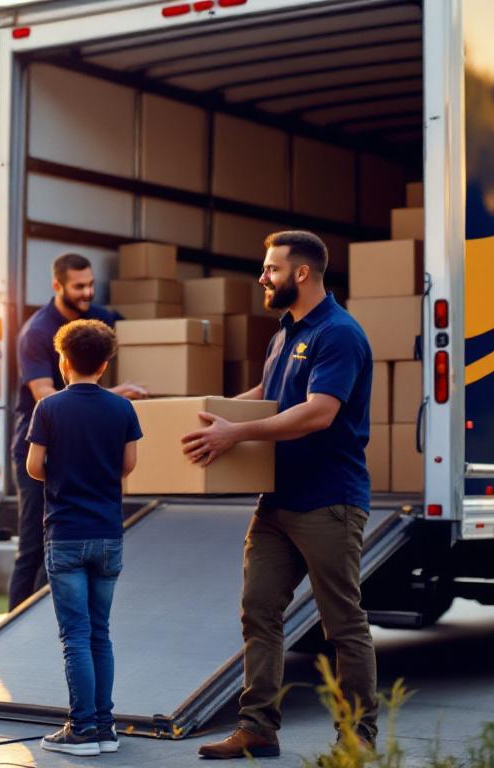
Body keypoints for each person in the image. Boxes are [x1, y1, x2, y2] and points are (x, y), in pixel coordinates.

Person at [186, 231, 377, 760]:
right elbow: (268, 396)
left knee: (342, 621)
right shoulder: (284, 333)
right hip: (277, 501)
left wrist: (236, 434)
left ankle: (357, 736)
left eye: (270, 269)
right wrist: (209, 411)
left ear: (301, 273)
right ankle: (258, 729)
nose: (262, 277)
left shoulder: (339, 334)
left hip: (328, 500)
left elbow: (319, 411)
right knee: (259, 610)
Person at [25, 319, 141, 757]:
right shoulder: (122, 409)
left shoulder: (50, 408)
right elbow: (128, 464)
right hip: (109, 535)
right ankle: (106, 729)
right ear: (106, 363)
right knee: (100, 634)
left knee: (74, 635)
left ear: (63, 360)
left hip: (67, 535)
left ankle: (82, 729)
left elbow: (35, 467)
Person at [9, 253, 146, 610]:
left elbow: (146, 341)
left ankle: (50, 621)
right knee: (34, 547)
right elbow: (45, 398)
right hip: (39, 449)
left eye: (90, 284)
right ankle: (14, 623)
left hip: (84, 449)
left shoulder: (102, 318)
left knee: (69, 549)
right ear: (57, 286)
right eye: (78, 287)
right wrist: (112, 397)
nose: (87, 293)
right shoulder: (37, 333)